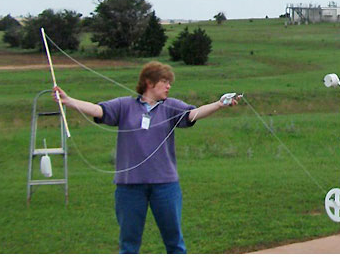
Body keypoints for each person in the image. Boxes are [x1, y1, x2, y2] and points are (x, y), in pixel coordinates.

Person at [53, 61, 239, 253]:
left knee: (174, 243)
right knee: (129, 245)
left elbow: (193, 114)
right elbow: (98, 110)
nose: (169, 86)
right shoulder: (124, 105)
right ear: (149, 83)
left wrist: (219, 104)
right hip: (129, 187)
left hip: (165, 185)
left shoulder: (171, 106)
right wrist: (69, 101)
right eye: (164, 81)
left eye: (169, 82)